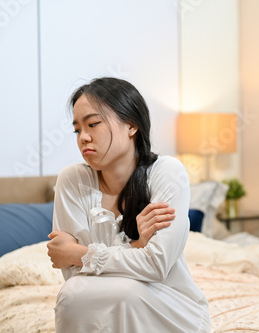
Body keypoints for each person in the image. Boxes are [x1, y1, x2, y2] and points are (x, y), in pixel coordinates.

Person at [46, 77, 210, 332]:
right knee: (72, 295)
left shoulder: (166, 172)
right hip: (98, 298)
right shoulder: (72, 179)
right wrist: (138, 247)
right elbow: (74, 276)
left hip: (169, 305)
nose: (83, 138)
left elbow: (156, 266)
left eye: (93, 124)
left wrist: (80, 253)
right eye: (77, 129)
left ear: (131, 125)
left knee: (125, 292)